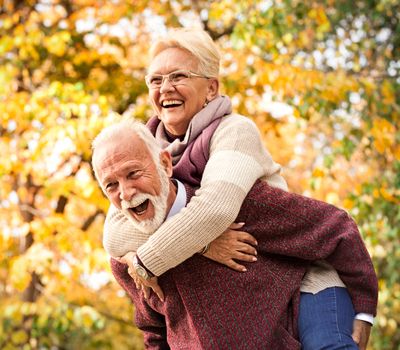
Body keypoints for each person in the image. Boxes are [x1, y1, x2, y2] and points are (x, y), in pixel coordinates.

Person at [102, 28, 374, 349]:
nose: (165, 88)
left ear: (211, 88)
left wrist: (146, 261)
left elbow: (215, 209)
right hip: (249, 289)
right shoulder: (142, 153)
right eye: (155, 80)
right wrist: (204, 244)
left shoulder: (234, 131)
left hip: (298, 273)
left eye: (178, 76)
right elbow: (115, 235)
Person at [91, 119, 378, 349]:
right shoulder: (126, 262)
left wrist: (364, 309)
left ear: (165, 165)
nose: (126, 193)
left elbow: (335, 227)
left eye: (133, 174)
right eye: (111, 186)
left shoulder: (239, 204)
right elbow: (153, 329)